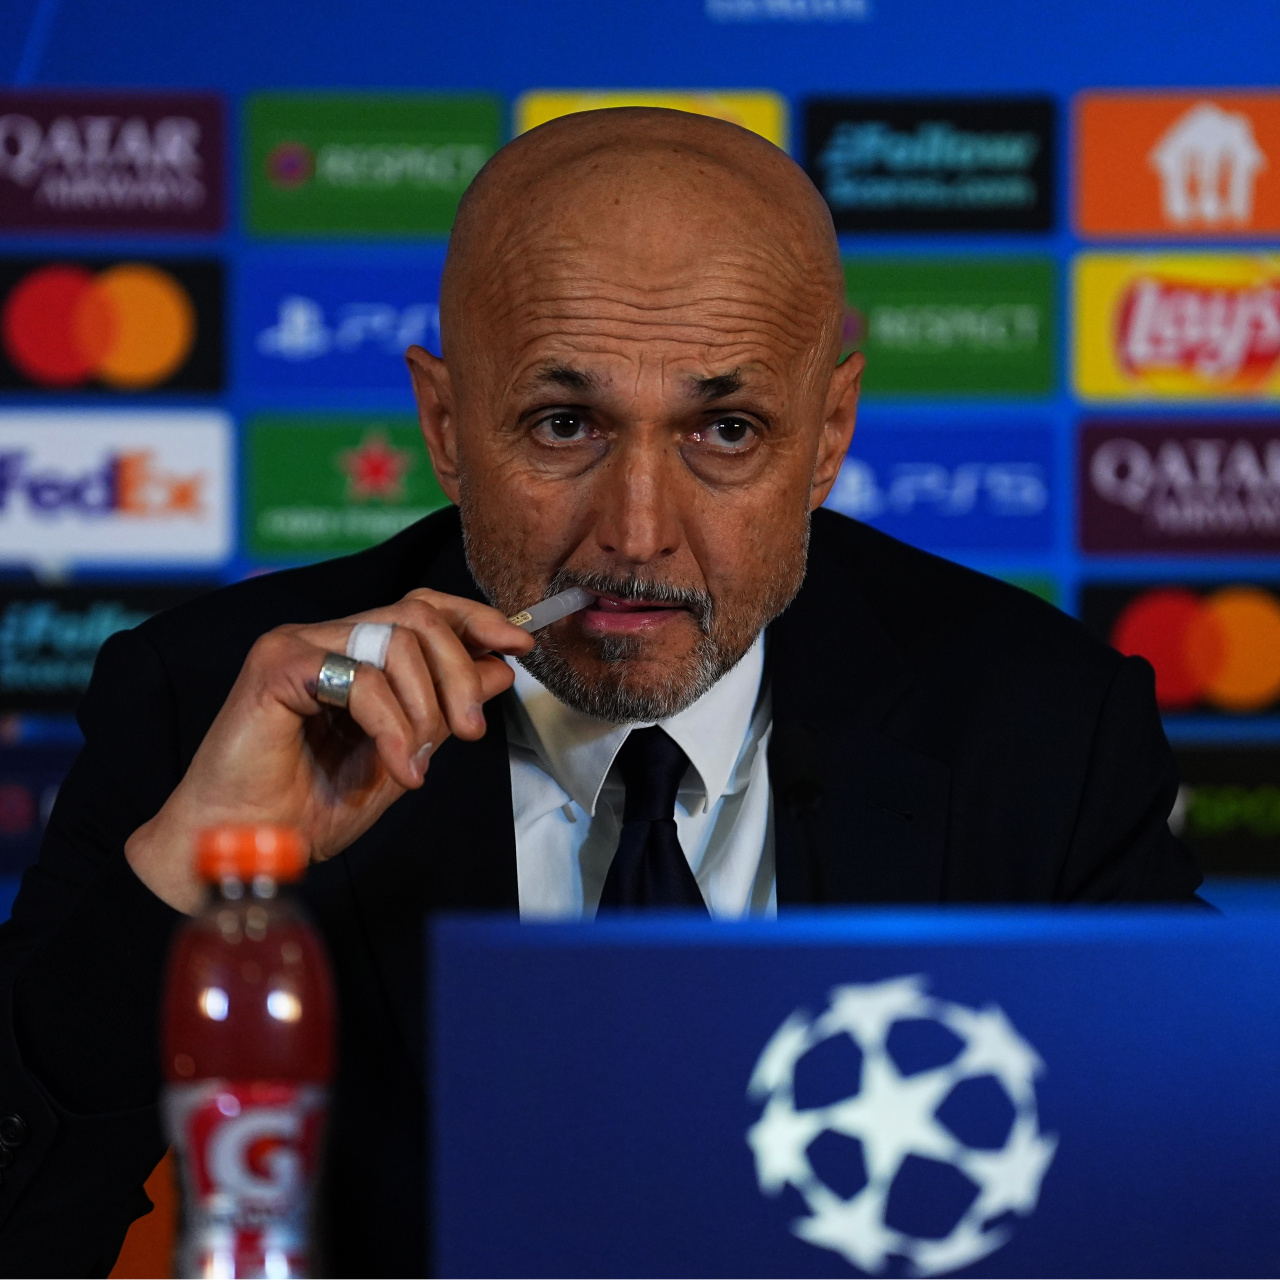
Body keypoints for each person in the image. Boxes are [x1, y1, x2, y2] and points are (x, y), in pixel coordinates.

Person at [0, 108, 1200, 1277]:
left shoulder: (1043, 727)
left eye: (724, 430)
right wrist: (184, 873)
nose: (635, 533)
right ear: (445, 424)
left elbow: (1193, 1195)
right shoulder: (211, 699)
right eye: (564, 423)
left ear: (828, 433)